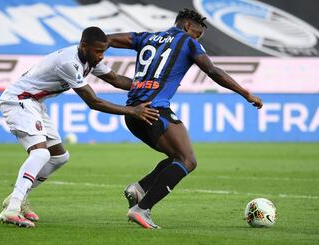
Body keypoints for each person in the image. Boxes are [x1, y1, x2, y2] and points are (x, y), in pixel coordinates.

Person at [107, 8, 263, 229]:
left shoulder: (147, 37)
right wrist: (246, 93)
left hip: (133, 113)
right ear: (188, 26)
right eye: (197, 34)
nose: (197, 39)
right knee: (187, 160)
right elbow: (213, 71)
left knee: (175, 157)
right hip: (155, 111)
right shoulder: (188, 42)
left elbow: (108, 39)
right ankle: (142, 209)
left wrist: (93, 62)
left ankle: (139, 189)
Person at [0, 26, 159, 228]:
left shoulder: (90, 59)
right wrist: (133, 111)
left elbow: (116, 79)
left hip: (35, 103)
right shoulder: (69, 62)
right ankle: (11, 209)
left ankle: (16, 198)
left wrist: (153, 86)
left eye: (104, 51)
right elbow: (94, 102)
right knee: (40, 155)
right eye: (98, 51)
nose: (101, 56)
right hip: (19, 100)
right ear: (84, 46)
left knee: (59, 157)